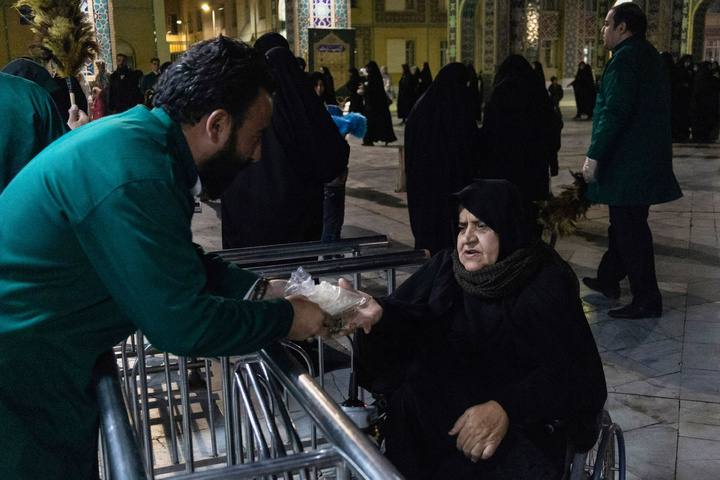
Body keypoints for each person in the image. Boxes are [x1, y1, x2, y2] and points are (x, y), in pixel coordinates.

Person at [0, 37, 335, 479]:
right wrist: (289, 318)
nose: (257, 154)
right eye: (255, 137)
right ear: (216, 125)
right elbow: (183, 324)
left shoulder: (139, 143)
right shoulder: (135, 172)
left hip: (44, 369)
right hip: (21, 384)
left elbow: (171, 257)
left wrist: (259, 289)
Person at [340, 179, 607, 480]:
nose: (467, 238)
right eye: (462, 226)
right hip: (441, 428)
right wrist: (380, 317)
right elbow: (413, 321)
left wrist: (505, 408)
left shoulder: (542, 284)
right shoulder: (447, 269)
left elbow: (571, 372)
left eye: (481, 226)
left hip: (518, 435)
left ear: (507, 227)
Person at [581, 3, 683, 319]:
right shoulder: (648, 54)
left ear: (623, 27)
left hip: (628, 165)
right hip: (643, 162)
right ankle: (609, 278)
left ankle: (647, 300)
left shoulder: (624, 61)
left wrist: (593, 156)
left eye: (608, 23)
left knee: (631, 232)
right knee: (624, 227)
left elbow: (614, 114)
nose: (603, 29)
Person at [221, 43, 349, 248]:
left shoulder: (242, 104)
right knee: (294, 278)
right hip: (297, 224)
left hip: (245, 221)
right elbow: (335, 157)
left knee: (250, 276)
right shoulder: (303, 106)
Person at [479, 54, 561, 239]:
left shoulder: (498, 94)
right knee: (531, 216)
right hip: (534, 170)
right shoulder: (538, 93)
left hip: (504, 171)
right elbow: (552, 128)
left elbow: (489, 136)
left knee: (508, 217)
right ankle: (531, 252)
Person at [404, 63, 480, 255]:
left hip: (424, 185)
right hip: (449, 186)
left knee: (430, 234)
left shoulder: (422, 105)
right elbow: (470, 148)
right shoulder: (456, 108)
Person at [362, 61, 397, 146]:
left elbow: (371, 92)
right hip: (379, 105)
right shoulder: (377, 77)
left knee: (370, 123)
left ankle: (369, 140)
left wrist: (365, 88)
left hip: (372, 106)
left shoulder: (371, 78)